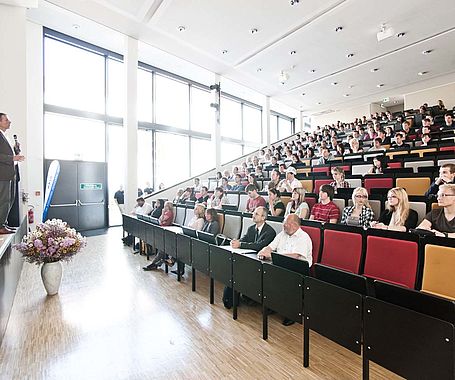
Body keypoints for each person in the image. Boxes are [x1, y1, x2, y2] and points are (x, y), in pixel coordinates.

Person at [257, 214, 312, 326]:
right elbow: (271, 246)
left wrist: (272, 256)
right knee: (266, 272)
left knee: (286, 278)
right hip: (281, 264)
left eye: (285, 223)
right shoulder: (282, 234)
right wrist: (264, 252)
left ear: (294, 225)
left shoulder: (303, 237)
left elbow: (295, 256)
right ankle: (273, 305)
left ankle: (291, 313)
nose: (283, 225)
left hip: (298, 268)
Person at [223, 206, 276, 309]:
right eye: (254, 213)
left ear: (263, 217)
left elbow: (259, 246)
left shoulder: (270, 231)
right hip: (249, 257)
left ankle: (236, 298)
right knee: (233, 267)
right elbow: (244, 239)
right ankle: (231, 299)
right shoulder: (251, 228)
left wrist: (241, 245)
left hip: (261, 261)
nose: (253, 215)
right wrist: (236, 242)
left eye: (256, 214)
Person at [0, 113, 24, 234]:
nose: (9, 122)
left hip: (11, 174)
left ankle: (4, 224)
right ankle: (1, 226)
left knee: (9, 200)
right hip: (3, 175)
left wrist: (15, 149)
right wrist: (12, 158)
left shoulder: (5, 136)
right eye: (7, 120)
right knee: (4, 200)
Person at [143, 201, 175, 271]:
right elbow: (160, 220)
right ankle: (155, 263)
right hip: (162, 229)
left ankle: (154, 263)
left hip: (166, 230)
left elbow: (162, 219)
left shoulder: (169, 213)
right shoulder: (166, 212)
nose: (164, 207)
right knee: (162, 249)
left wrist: (162, 213)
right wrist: (162, 214)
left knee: (162, 249)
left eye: (166, 206)